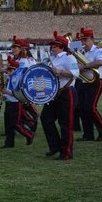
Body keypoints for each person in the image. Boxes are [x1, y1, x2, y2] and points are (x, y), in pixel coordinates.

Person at [40, 32, 79, 160]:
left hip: (66, 93)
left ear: (62, 47)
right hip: (54, 93)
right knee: (45, 118)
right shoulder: (53, 58)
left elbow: (75, 73)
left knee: (65, 123)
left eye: (55, 46)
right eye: (52, 46)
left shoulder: (69, 57)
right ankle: (55, 146)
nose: (53, 48)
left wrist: (60, 71)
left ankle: (66, 153)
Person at [2, 37, 37, 148]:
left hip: (17, 95)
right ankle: (9, 142)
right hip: (10, 94)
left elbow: (24, 78)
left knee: (15, 122)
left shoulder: (26, 61)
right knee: (8, 121)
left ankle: (29, 132)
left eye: (15, 47)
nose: (13, 49)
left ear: (22, 48)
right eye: (13, 47)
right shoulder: (15, 60)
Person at [76, 28, 102, 142]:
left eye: (85, 40)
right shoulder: (82, 52)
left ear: (92, 39)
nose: (83, 42)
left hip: (96, 81)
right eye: (82, 40)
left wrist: (84, 66)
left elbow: (101, 62)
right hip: (83, 81)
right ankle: (88, 134)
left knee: (90, 107)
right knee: (81, 108)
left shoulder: (98, 50)